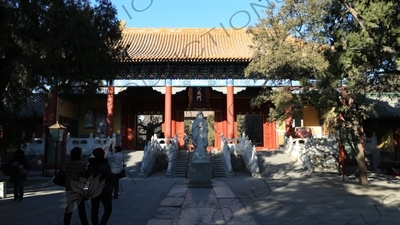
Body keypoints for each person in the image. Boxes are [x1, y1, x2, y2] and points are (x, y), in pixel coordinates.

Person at [86, 148, 113, 225]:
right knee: (108, 209)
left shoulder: (90, 165)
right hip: (104, 190)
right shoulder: (106, 165)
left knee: (94, 211)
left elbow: (87, 177)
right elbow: (109, 178)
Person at [64, 147, 89, 225]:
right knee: (81, 210)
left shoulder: (67, 164)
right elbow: (84, 176)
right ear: (79, 155)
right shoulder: (81, 164)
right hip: (78, 189)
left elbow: (64, 174)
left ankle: (66, 223)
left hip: (69, 188)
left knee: (69, 209)